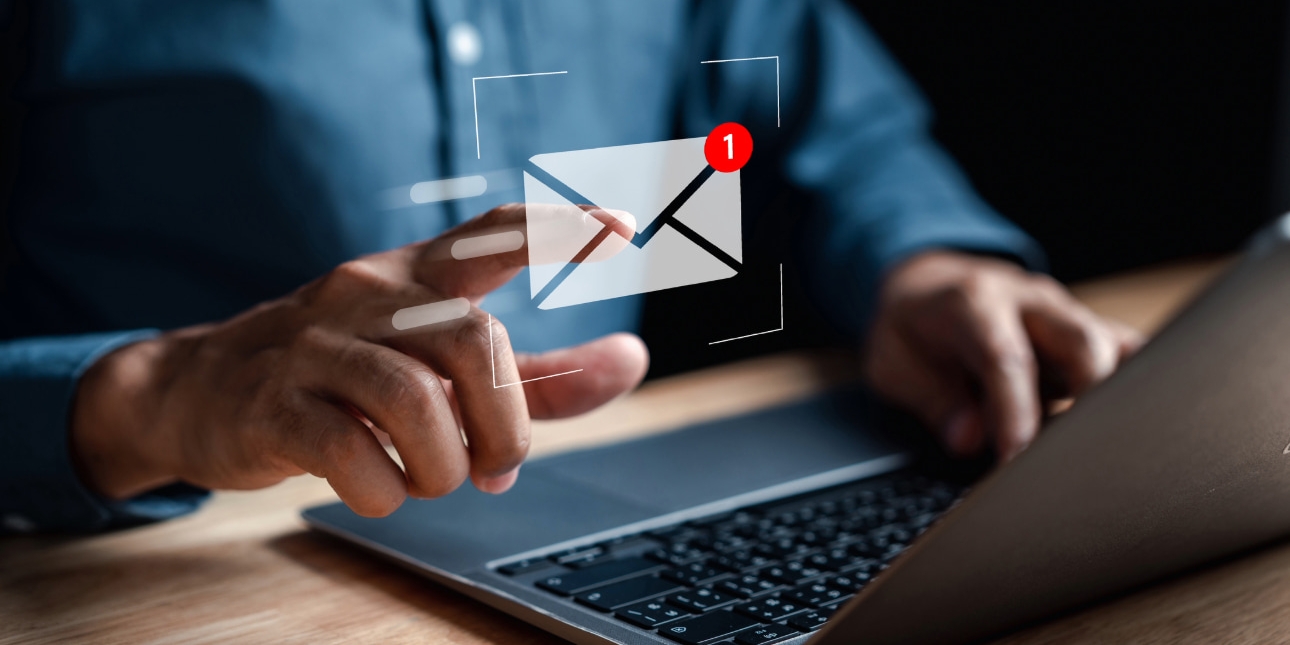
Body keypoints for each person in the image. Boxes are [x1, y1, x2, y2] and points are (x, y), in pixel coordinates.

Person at [0, 0, 1138, 533]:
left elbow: (832, 122)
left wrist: (924, 262)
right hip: (169, 571)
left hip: (608, 523)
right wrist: (149, 396)